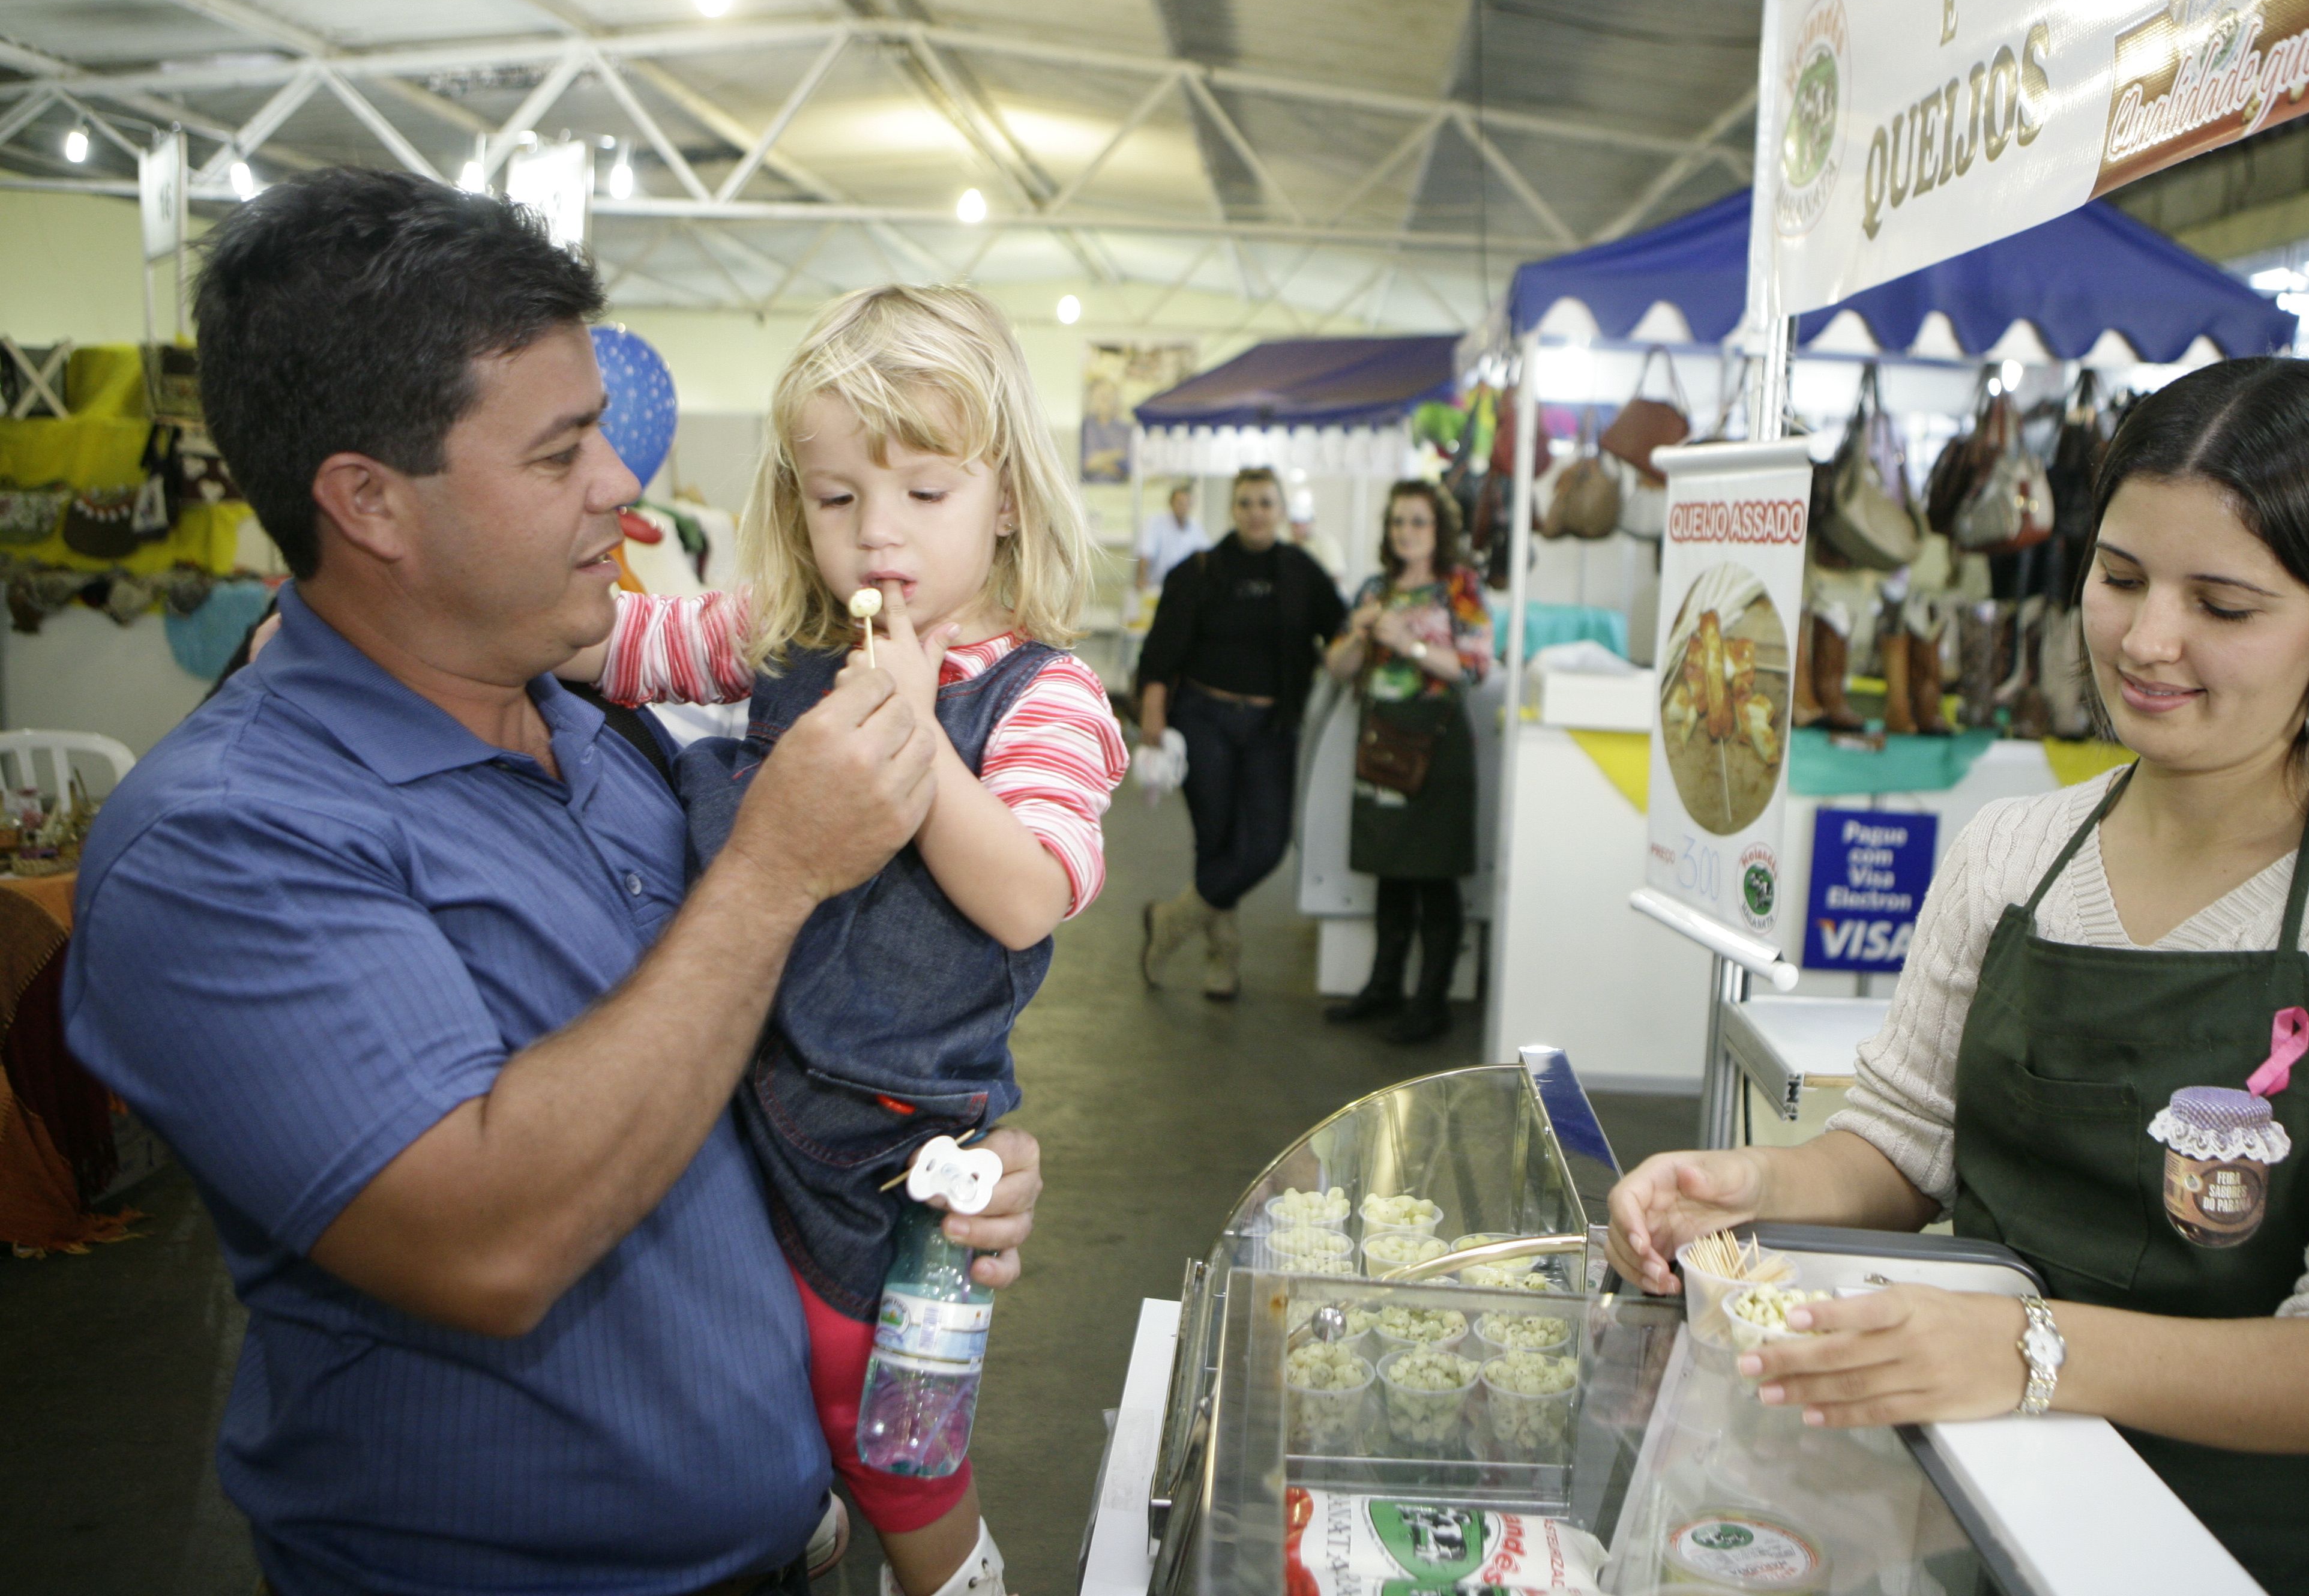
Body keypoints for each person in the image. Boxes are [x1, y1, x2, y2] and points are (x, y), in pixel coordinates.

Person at [61, 169, 1045, 1596]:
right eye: (558, 452)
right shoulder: (223, 842)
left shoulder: (607, 739)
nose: (621, 482)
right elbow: (491, 1243)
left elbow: (735, 1062)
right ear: (370, 503)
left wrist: (924, 1153)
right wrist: (776, 866)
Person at [1606, 359, 2309, 1596]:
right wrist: (1753, 1186)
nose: (2147, 641)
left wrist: (2028, 1349)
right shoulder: (2013, 853)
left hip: (2248, 1558)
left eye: (2222, 604)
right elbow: (1898, 1146)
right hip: (1979, 1511)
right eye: (2119, 577)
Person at [568, 285, 1125, 1596]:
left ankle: (955, 1570)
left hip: (890, 1143)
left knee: (879, 1412)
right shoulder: (774, 634)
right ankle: (801, 1526)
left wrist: (914, 728)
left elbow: (1031, 892)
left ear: (1005, 500)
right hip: (735, 1091)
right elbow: (616, 645)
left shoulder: (1043, 691)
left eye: (925, 492)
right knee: (738, 1361)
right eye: (836, 498)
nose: (878, 533)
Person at [1134, 466, 1347, 998]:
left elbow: (1340, 631)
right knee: (1216, 840)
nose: (1256, 513)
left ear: (1282, 511)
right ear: (1233, 509)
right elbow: (1160, 652)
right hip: (1203, 718)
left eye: (1266, 503)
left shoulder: (1302, 572)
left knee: (1267, 845)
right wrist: (1153, 713)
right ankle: (1223, 959)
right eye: (1247, 503)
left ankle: (1170, 921)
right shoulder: (1200, 570)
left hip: (1272, 726)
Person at [1322, 482, 1491, 1044]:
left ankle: (1431, 1002)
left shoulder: (1459, 589)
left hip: (1437, 743)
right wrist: (1359, 636)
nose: (1406, 532)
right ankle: (1384, 987)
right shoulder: (1375, 589)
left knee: (1434, 874)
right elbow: (1338, 667)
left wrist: (1410, 645)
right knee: (1389, 868)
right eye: (1398, 522)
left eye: (1418, 521)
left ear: (1439, 530)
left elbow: (1476, 666)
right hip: (1383, 741)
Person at [1134, 481, 1212, 592]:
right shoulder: (1155, 523)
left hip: (1187, 588)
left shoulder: (1196, 527)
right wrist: (1141, 578)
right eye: (1180, 503)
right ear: (1171, 503)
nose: (1183, 507)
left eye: (1187, 503)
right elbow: (1145, 554)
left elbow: (1206, 555)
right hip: (1159, 587)